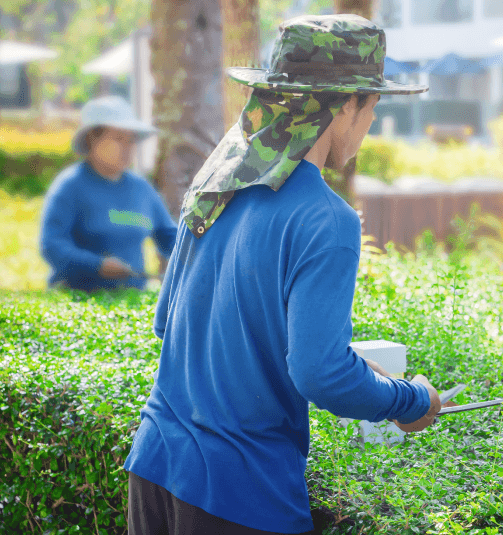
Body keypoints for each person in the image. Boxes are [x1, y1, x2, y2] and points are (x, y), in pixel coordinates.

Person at [124, 14, 441, 535]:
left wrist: (342, 360)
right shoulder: (326, 218)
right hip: (239, 495)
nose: (369, 123)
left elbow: (169, 322)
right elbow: (319, 374)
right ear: (345, 105)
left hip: (155, 469)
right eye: (373, 106)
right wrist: (409, 400)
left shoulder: (214, 184)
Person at [39, 95, 177, 292]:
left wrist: (201, 253)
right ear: (91, 139)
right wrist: (97, 266)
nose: (128, 147)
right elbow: (52, 245)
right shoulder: (69, 186)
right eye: (119, 139)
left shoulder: (142, 188)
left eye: (131, 140)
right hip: (78, 300)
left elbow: (170, 236)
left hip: (132, 297)